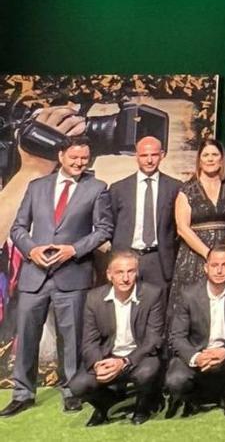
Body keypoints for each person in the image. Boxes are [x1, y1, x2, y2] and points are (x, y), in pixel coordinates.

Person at [2, 136, 114, 418]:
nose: (79, 163)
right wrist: (31, 250)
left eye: (84, 159)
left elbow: (103, 230)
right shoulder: (36, 187)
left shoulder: (97, 188)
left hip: (72, 275)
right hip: (34, 275)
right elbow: (18, 229)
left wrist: (73, 249)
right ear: (62, 156)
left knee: (72, 339)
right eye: (74, 158)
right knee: (27, 336)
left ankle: (71, 391)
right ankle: (23, 394)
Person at [164, 245, 225, 418]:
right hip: (198, 354)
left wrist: (224, 351)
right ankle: (192, 399)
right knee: (175, 380)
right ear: (206, 267)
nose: (219, 270)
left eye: (224, 265)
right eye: (214, 265)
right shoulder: (189, 293)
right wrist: (197, 357)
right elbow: (177, 336)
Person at [69, 252, 165, 426]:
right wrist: (98, 364)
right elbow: (90, 341)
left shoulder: (152, 294)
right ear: (109, 274)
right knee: (77, 385)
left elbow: (153, 339)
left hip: (139, 358)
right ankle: (106, 406)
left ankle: (142, 407)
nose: (125, 278)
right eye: (120, 272)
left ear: (137, 273)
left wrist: (124, 362)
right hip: (108, 357)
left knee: (147, 372)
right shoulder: (94, 298)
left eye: (130, 271)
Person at [171, 139, 225, 315]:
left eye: (214, 154)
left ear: (222, 159)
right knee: (193, 307)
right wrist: (208, 254)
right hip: (194, 257)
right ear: (199, 160)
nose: (210, 159)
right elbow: (182, 228)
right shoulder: (187, 189)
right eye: (206, 155)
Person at [107, 136, 182, 285]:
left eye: (154, 155)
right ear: (136, 156)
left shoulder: (175, 187)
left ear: (162, 155)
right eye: (144, 155)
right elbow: (111, 224)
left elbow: (177, 227)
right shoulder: (118, 189)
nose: (149, 160)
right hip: (126, 259)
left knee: (158, 306)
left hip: (158, 260)